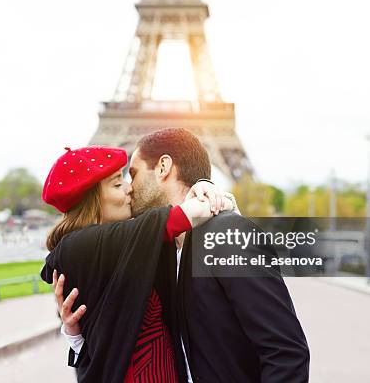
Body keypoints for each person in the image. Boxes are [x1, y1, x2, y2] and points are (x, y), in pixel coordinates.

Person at [56, 128, 310, 383]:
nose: (129, 188)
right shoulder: (153, 253)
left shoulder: (228, 234)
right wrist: (75, 334)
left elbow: (285, 351)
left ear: (163, 167)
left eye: (132, 175)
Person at [40, 145, 233, 383]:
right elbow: (184, 215)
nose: (130, 188)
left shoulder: (110, 249)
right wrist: (206, 189)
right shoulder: (83, 246)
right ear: (93, 197)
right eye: (117, 184)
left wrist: (74, 335)